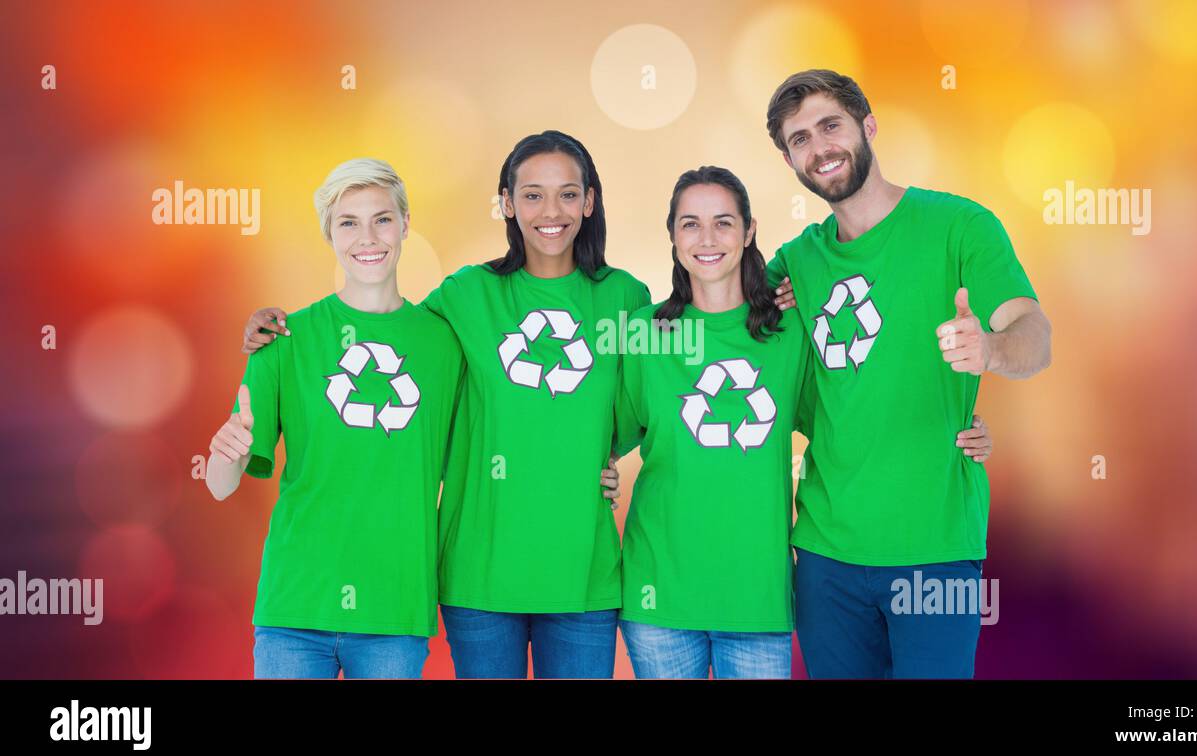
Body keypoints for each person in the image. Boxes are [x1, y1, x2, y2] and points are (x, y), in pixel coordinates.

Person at [239, 131, 640, 679]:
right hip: (480, 570)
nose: (551, 210)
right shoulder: (466, 294)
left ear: (590, 201)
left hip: (583, 569)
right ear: (505, 202)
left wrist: (603, 457)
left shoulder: (626, 298)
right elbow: (390, 333)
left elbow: (648, 396)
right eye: (531, 194)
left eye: (568, 194)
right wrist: (275, 330)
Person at [612, 166, 994, 679]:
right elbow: (604, 430)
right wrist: (599, 466)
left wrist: (956, 426)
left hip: (759, 599)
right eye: (690, 224)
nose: (707, 239)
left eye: (724, 223)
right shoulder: (644, 333)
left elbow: (850, 406)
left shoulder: (791, 331)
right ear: (672, 236)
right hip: (657, 590)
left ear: (749, 232)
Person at [765, 69, 1051, 679]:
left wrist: (992, 351)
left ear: (868, 126)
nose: (820, 148)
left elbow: (1033, 332)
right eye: (799, 140)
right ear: (789, 160)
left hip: (935, 548)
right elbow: (719, 343)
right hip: (824, 555)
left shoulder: (959, 227)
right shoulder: (793, 264)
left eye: (830, 126)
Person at [205, 158, 464, 678]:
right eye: (348, 222)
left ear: (406, 224)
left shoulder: (446, 345)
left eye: (382, 219)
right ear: (329, 233)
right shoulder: (283, 342)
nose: (367, 237)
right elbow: (219, 487)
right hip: (295, 608)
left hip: (395, 607)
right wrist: (223, 452)